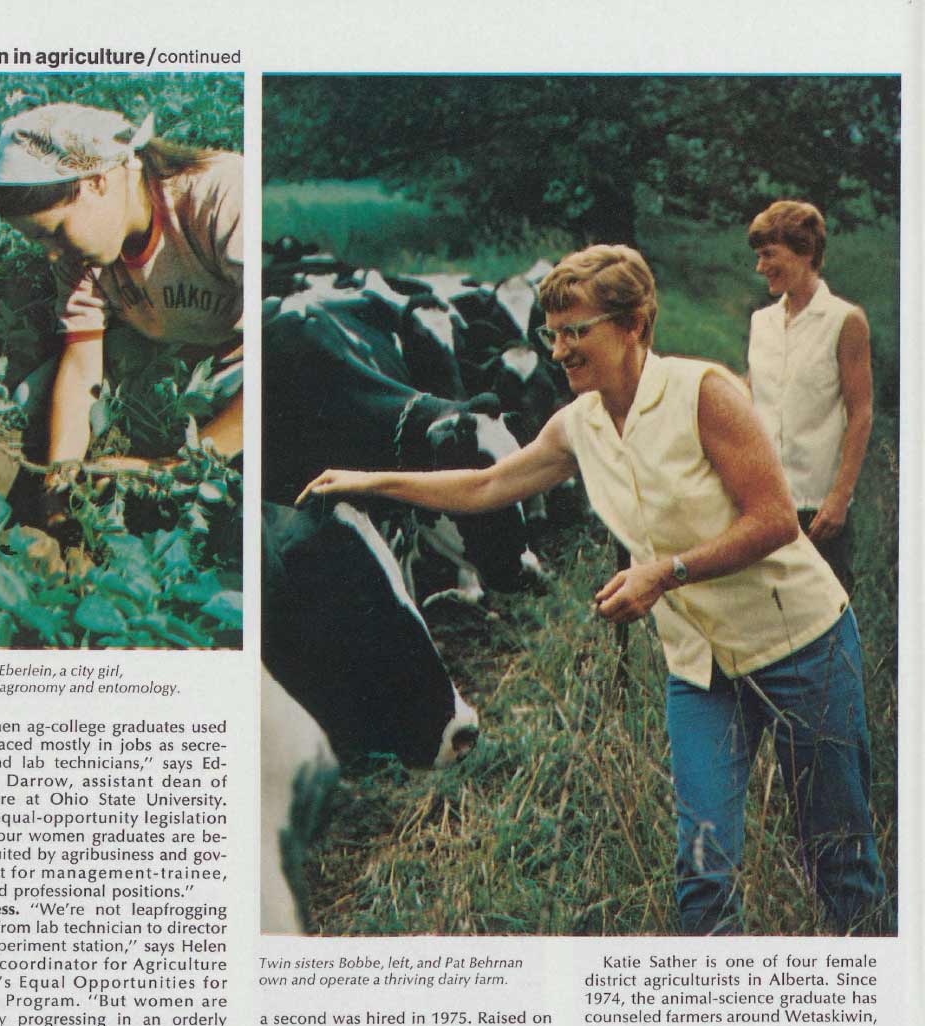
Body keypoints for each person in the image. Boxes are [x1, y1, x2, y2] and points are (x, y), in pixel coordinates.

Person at [296, 245, 887, 935]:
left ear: (634, 324)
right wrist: (369, 480)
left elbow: (776, 519)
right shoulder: (578, 424)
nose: (559, 352)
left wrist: (664, 573)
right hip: (701, 670)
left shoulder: (704, 393)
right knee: (704, 870)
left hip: (801, 647)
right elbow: (487, 484)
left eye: (576, 331)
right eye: (552, 334)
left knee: (839, 857)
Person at [0, 102, 242, 481]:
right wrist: (61, 477)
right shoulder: (79, 257)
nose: (53, 254)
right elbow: (80, 366)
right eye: (39, 241)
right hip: (164, 358)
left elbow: (275, 358)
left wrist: (176, 470)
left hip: (238, 366)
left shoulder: (222, 194)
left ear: (97, 181)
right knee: (29, 396)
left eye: (55, 231)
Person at [747, 200, 872, 593]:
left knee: (827, 611)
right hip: (764, 503)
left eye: (769, 254)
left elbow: (861, 413)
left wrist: (839, 497)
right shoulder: (761, 322)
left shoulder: (844, 320)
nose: (760, 266)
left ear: (804, 251)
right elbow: (753, 397)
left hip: (818, 508)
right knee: (766, 612)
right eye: (758, 255)